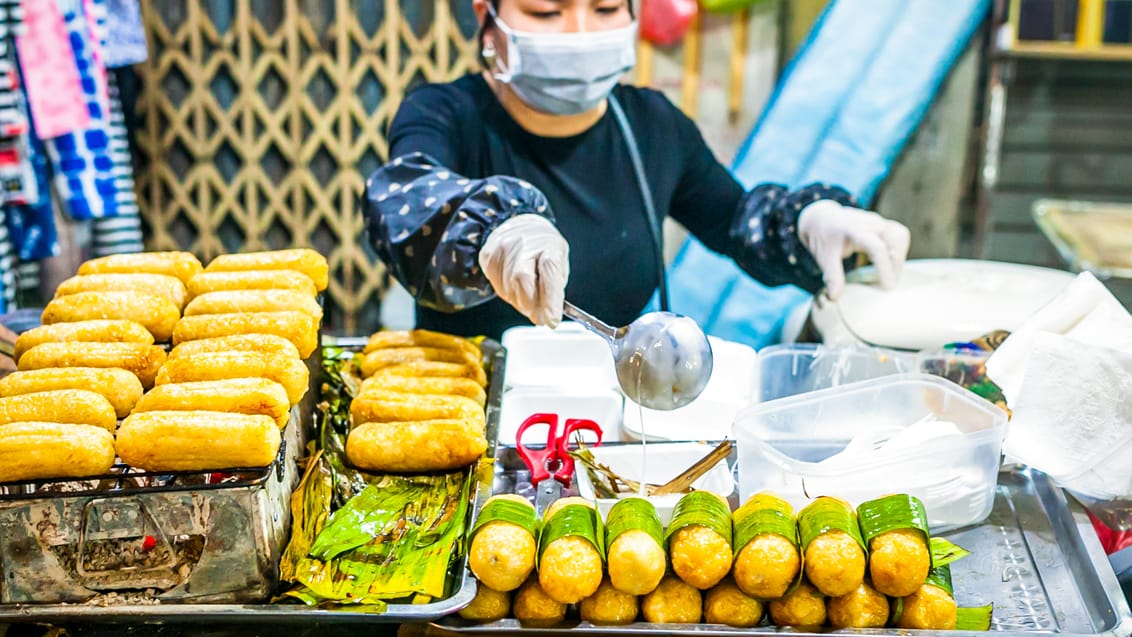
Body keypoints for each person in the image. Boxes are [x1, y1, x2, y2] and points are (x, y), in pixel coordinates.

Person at [364, 0, 911, 341]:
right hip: (467, 415)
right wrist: (493, 230)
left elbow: (736, 217)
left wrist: (805, 224)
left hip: (603, 421)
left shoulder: (653, 125)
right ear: (488, 17)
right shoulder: (444, 112)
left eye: (604, 10)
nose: (578, 32)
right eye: (547, 12)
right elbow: (407, 202)